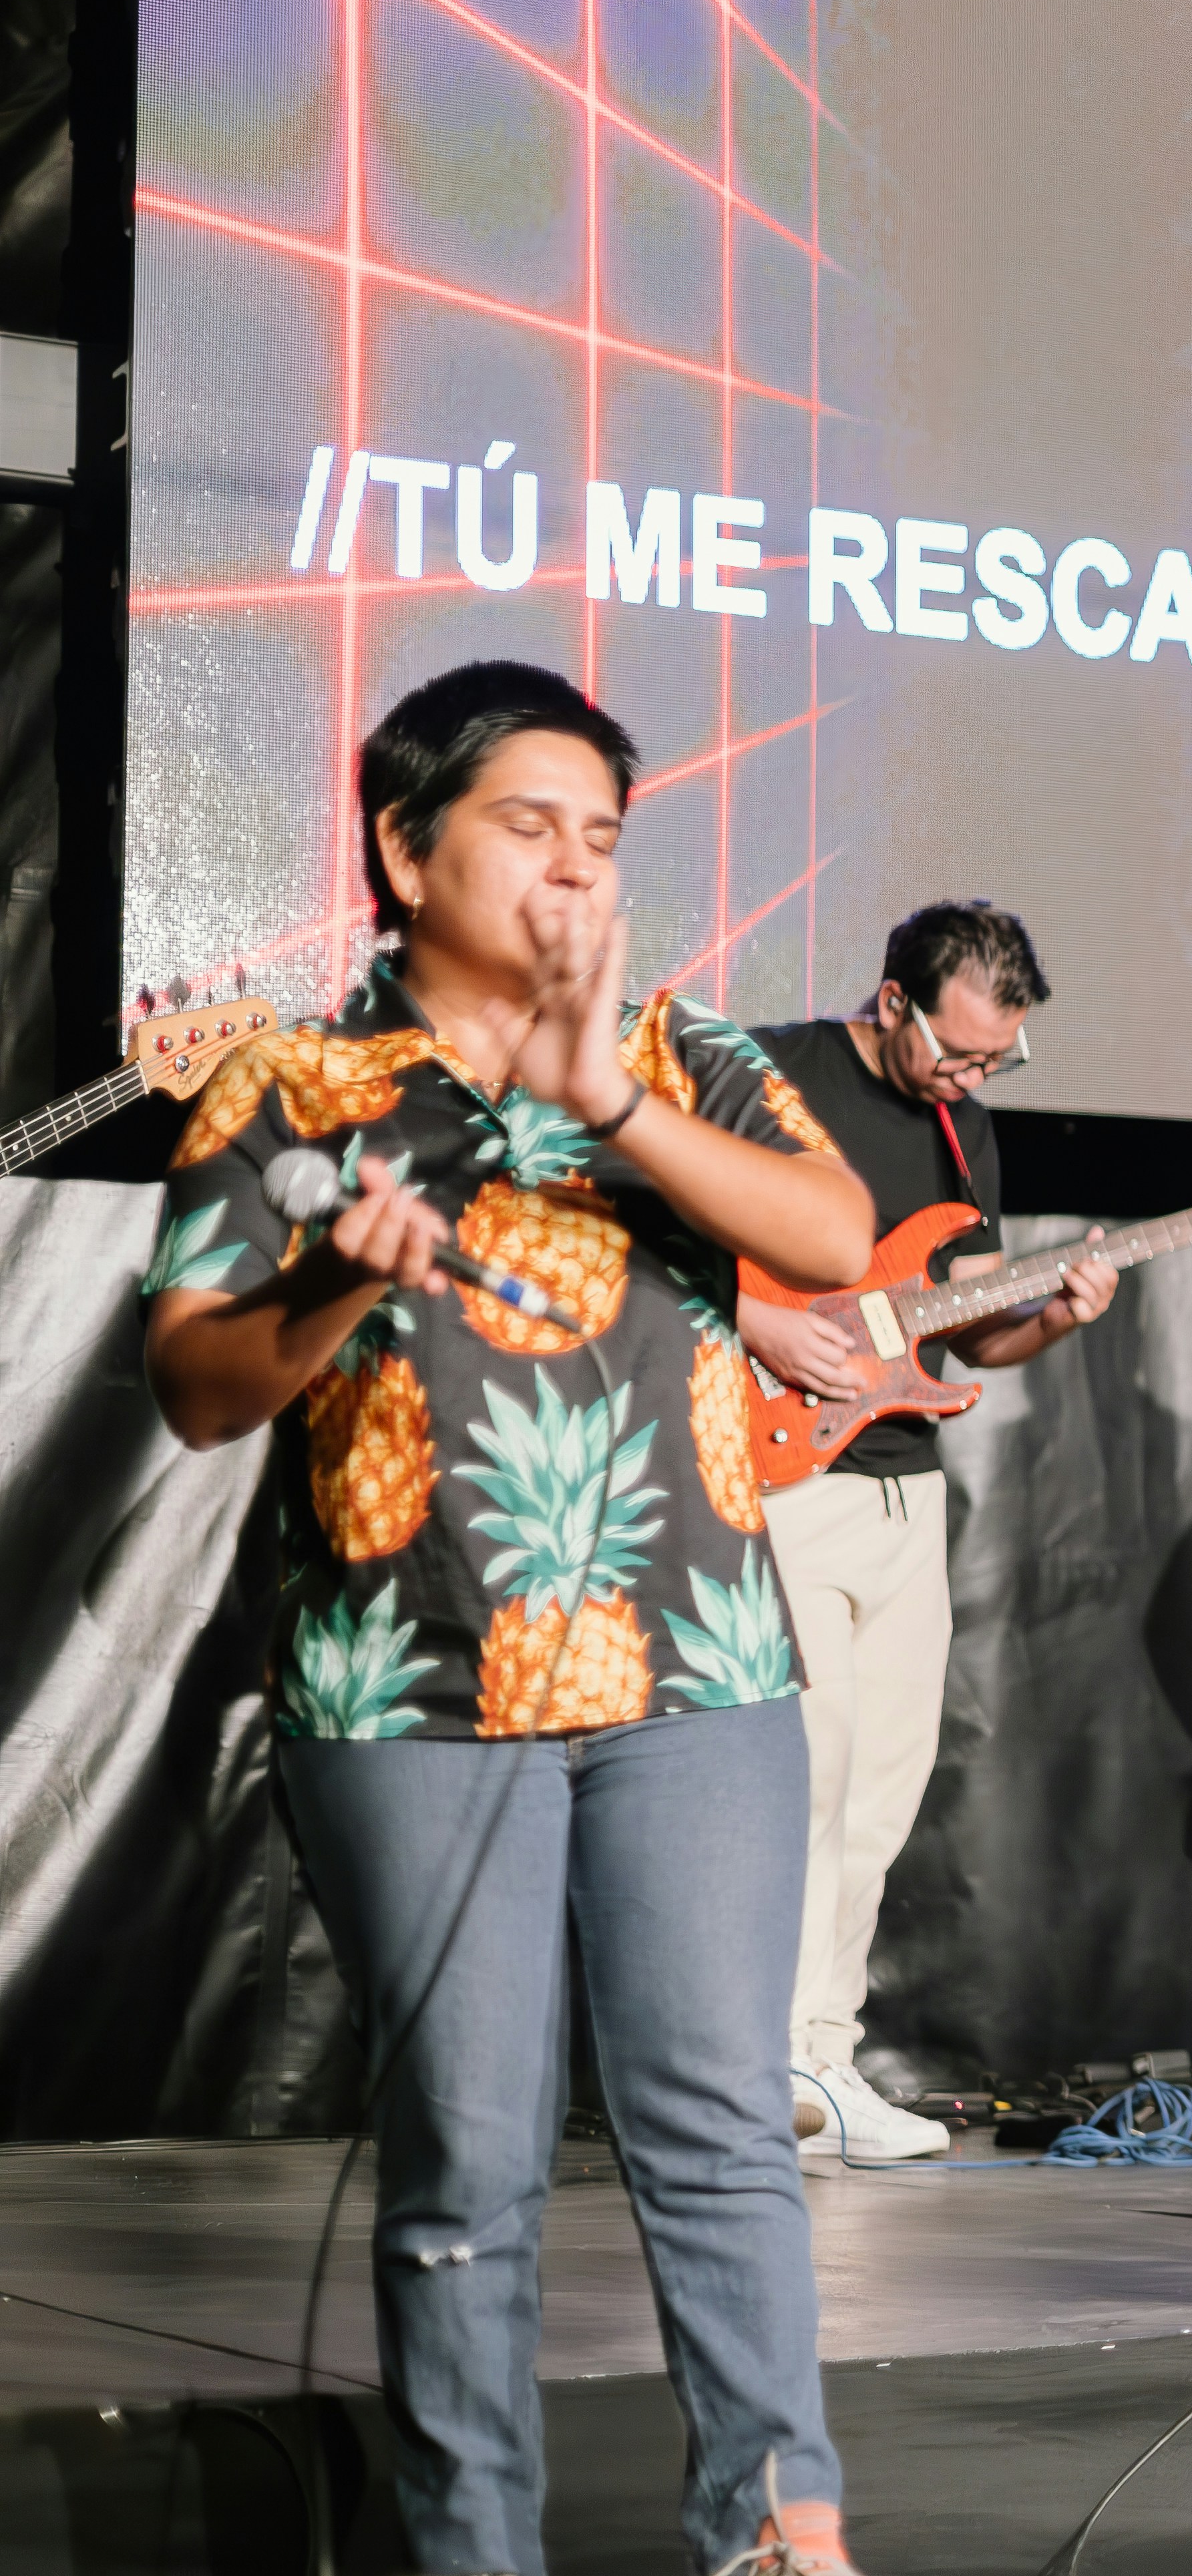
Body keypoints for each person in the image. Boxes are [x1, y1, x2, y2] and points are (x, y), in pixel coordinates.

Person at [143, 662, 878, 2575]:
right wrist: (322, 1289)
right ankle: (474, 2550)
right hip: (409, 1691)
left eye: (601, 838)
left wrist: (604, 1095)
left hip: (696, 1670)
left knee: (718, 2125)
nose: (570, 868)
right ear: (404, 846)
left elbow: (826, 1240)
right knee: (465, 2159)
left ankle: (781, 2532)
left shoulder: (684, 1051)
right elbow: (201, 1386)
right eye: (524, 825)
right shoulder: (290, 1087)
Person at [743, 904, 1116, 2162]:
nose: (974, 1076)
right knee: (812, 1772)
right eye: (960, 1052)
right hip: (787, 1476)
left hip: (909, 1487)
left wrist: (1057, 1313)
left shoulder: (968, 1130)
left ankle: (824, 2062)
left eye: (996, 1060)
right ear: (893, 1000)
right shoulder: (771, 1073)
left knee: (883, 1793)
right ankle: (770, 2062)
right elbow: (652, 1227)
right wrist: (760, 1319)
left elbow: (963, 1334)